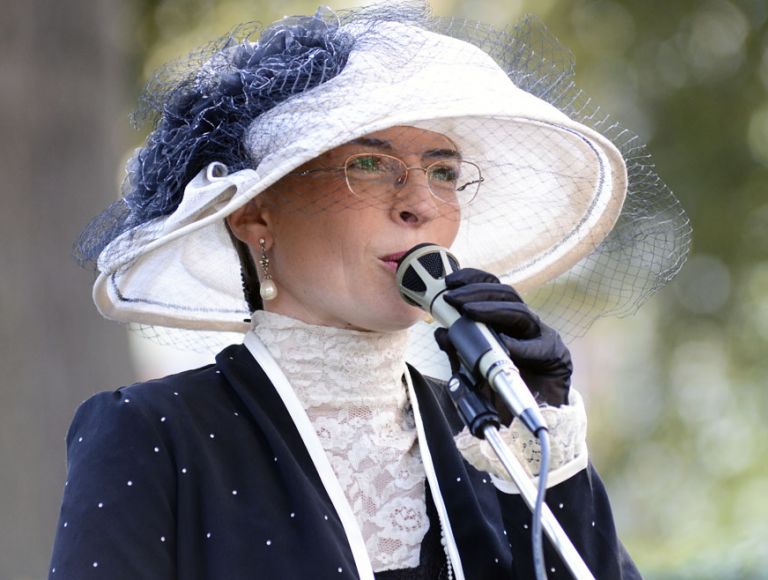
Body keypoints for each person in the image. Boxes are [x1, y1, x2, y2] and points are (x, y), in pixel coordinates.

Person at [50, 4, 689, 579]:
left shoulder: (495, 434)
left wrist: (543, 434)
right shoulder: (149, 433)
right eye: (369, 164)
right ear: (256, 215)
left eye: (443, 171)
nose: (419, 203)